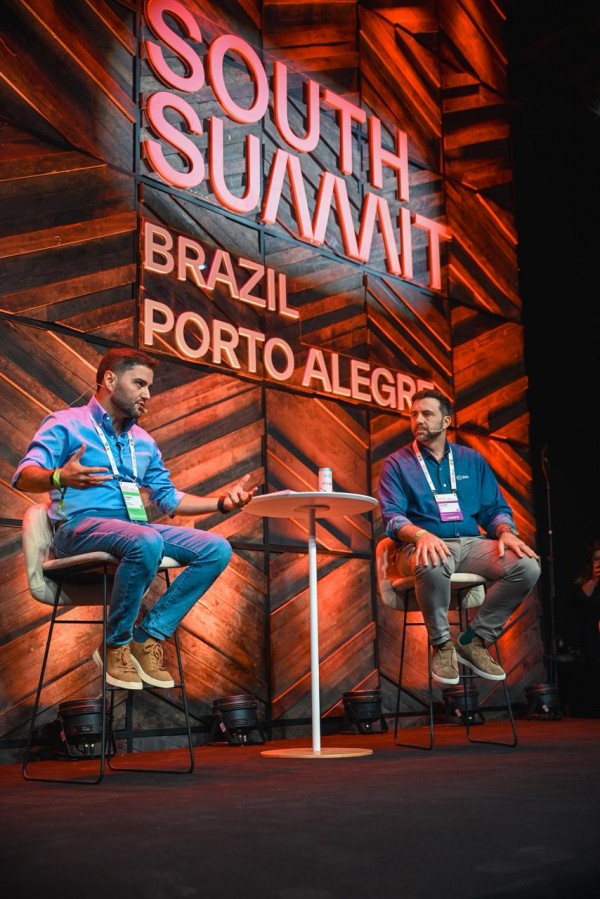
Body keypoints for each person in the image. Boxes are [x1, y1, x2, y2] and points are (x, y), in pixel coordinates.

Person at [13, 348, 257, 691]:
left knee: (216, 548)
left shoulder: (142, 441)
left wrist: (221, 504)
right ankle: (116, 643)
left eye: (150, 386)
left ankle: (146, 637)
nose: (148, 394)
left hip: (133, 531)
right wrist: (58, 478)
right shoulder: (66, 423)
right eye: (139, 383)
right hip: (78, 529)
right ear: (110, 380)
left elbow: (168, 499)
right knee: (146, 540)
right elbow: (24, 475)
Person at [378, 387, 541, 685]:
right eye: (414, 415)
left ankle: (474, 640)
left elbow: (494, 509)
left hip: (469, 543)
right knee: (432, 558)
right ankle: (441, 645)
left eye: (427, 414)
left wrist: (506, 532)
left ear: (446, 421)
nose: (418, 420)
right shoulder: (397, 464)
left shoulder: (471, 460)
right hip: (415, 547)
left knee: (527, 565)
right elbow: (392, 516)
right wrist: (421, 535)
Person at [568, 539, 600, 664]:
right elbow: (578, 603)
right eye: (596, 559)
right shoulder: (583, 582)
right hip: (591, 642)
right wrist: (594, 579)